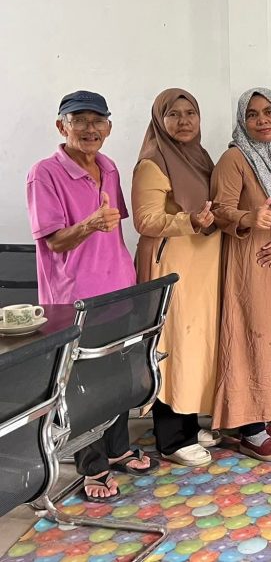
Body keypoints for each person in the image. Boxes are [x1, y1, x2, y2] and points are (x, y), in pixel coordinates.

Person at [26, 91, 157, 502]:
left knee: (118, 375)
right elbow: (55, 242)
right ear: (61, 126)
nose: (89, 128)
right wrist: (89, 224)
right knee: (83, 385)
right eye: (78, 120)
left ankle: (117, 449)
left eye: (97, 120)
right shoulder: (44, 173)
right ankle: (92, 466)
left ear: (109, 127)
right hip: (76, 299)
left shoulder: (109, 167)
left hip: (119, 290)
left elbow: (113, 229)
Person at [211, 88, 271, 461]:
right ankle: (250, 428)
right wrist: (248, 217)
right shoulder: (235, 158)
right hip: (254, 263)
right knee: (252, 337)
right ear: (242, 121)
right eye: (252, 115)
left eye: (269, 112)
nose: (262, 120)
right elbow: (220, 210)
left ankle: (265, 415)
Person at [133, 89, 222, 467]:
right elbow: (145, 220)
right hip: (172, 268)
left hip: (201, 269)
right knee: (171, 344)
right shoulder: (153, 163)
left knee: (194, 343)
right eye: (174, 114)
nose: (184, 121)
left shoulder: (200, 157)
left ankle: (188, 424)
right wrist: (189, 221)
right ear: (160, 120)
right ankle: (171, 438)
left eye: (190, 113)